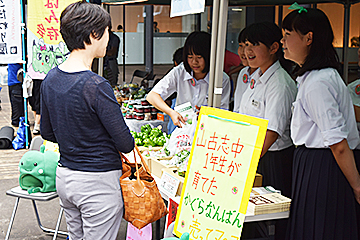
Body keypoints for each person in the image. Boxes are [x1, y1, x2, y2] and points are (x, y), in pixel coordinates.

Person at [40, 2, 134, 239]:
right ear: (94, 34)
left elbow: (47, 132)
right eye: (107, 31)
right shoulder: (95, 85)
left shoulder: (51, 78)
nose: (109, 37)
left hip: (66, 178)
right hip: (98, 183)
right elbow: (125, 143)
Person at [281, 6, 360, 240]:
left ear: (309, 38)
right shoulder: (316, 77)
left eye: (288, 35)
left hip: (324, 166)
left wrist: (357, 186)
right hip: (317, 163)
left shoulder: (318, 82)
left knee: (320, 229)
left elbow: (338, 143)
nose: (283, 41)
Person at [147, 31, 230, 127]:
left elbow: (223, 113)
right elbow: (152, 96)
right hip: (181, 130)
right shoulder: (180, 72)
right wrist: (171, 112)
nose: (194, 62)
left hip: (207, 131)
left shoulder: (221, 79)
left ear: (209, 56)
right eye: (190, 57)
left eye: (199, 57)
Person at [233, 28, 258, 113]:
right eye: (241, 46)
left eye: (248, 45)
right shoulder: (243, 73)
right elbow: (237, 108)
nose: (244, 52)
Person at [7, 63, 24, 127]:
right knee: (17, 109)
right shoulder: (17, 56)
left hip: (13, 82)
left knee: (16, 107)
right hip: (16, 82)